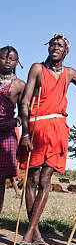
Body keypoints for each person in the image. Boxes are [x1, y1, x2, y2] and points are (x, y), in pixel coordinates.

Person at [15, 34, 76, 245]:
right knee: (31, 179)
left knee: (46, 180)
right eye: (52, 44)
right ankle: (35, 233)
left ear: (66, 51)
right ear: (48, 47)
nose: (55, 48)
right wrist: (26, 133)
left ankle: (29, 234)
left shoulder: (70, 73)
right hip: (36, 127)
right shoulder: (37, 69)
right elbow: (24, 101)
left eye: (60, 46)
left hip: (58, 129)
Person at [0, 46, 25, 214]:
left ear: (17, 62)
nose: (8, 61)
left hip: (7, 132)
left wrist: (15, 121)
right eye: (3, 57)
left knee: (1, 180)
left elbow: (25, 112)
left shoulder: (20, 85)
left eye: (12, 59)